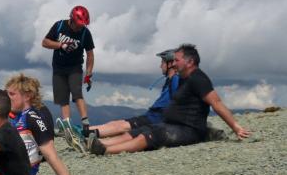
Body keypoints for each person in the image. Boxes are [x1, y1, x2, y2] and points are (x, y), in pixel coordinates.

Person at [89, 44, 250, 155]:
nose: (174, 63)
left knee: (154, 134)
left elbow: (216, 103)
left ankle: (107, 151)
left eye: (177, 60)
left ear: (190, 62)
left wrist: (236, 127)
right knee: (140, 130)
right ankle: (102, 144)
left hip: (189, 129)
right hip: (173, 124)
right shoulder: (182, 78)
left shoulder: (198, 79)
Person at [4, 74, 94, 175]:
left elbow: (50, 154)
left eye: (11, 94)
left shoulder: (34, 117)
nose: (6, 97)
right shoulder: (20, 112)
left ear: (27, 95)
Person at [85, 50, 179, 148]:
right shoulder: (170, 80)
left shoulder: (176, 79)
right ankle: (86, 131)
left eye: (162, 63)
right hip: (151, 116)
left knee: (121, 126)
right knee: (116, 123)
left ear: (170, 64)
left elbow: (177, 102)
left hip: (156, 118)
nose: (160, 66)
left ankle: (85, 133)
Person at [42, 5, 95, 148]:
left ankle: (85, 123)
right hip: (58, 68)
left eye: (82, 25)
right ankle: (67, 125)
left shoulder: (85, 33)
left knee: (77, 93)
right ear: (71, 20)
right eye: (78, 25)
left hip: (75, 67)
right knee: (62, 98)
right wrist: (61, 45)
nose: (80, 28)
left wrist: (89, 73)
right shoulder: (59, 26)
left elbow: (90, 54)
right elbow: (45, 42)